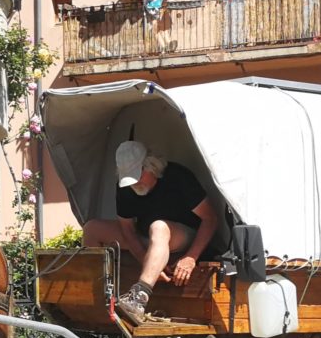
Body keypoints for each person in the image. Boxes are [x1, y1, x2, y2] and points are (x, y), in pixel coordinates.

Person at [83, 139, 219, 325]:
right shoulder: (126, 188)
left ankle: (140, 297)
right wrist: (145, 261)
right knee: (92, 229)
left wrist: (190, 258)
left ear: (151, 166)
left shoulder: (178, 177)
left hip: (183, 236)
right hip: (149, 237)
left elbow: (210, 218)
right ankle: (98, 297)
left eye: (137, 176)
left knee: (159, 226)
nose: (134, 183)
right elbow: (127, 229)